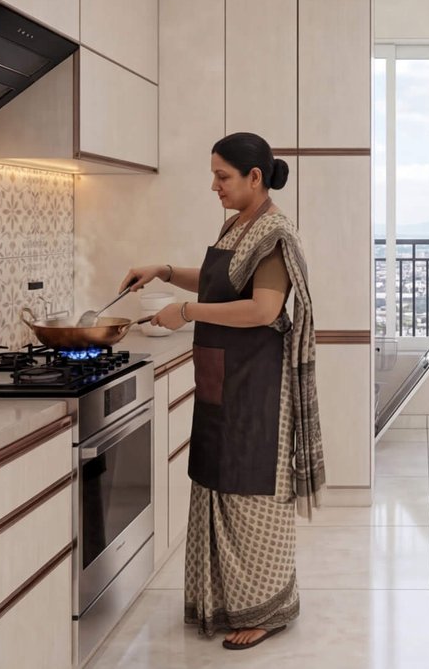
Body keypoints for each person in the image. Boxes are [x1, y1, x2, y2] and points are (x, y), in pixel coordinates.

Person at [119, 132, 326, 651]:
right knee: (217, 482)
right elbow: (219, 285)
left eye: (223, 176)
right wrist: (164, 271)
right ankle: (224, 600)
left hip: (257, 386)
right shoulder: (238, 225)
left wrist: (184, 312)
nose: (214, 185)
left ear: (255, 177)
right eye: (214, 175)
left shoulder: (273, 232)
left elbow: (263, 309)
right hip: (222, 379)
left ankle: (268, 608)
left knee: (251, 491)